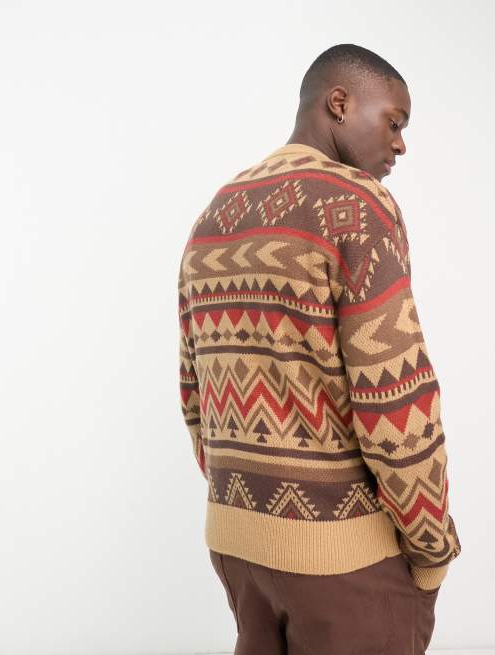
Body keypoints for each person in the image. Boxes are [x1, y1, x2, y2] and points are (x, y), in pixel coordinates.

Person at [177, 43, 461, 655]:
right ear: (339, 103)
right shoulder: (356, 205)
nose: (400, 145)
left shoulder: (215, 214)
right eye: (394, 122)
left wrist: (247, 506)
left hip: (236, 546)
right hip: (343, 561)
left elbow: (193, 391)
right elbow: (394, 399)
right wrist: (432, 546)